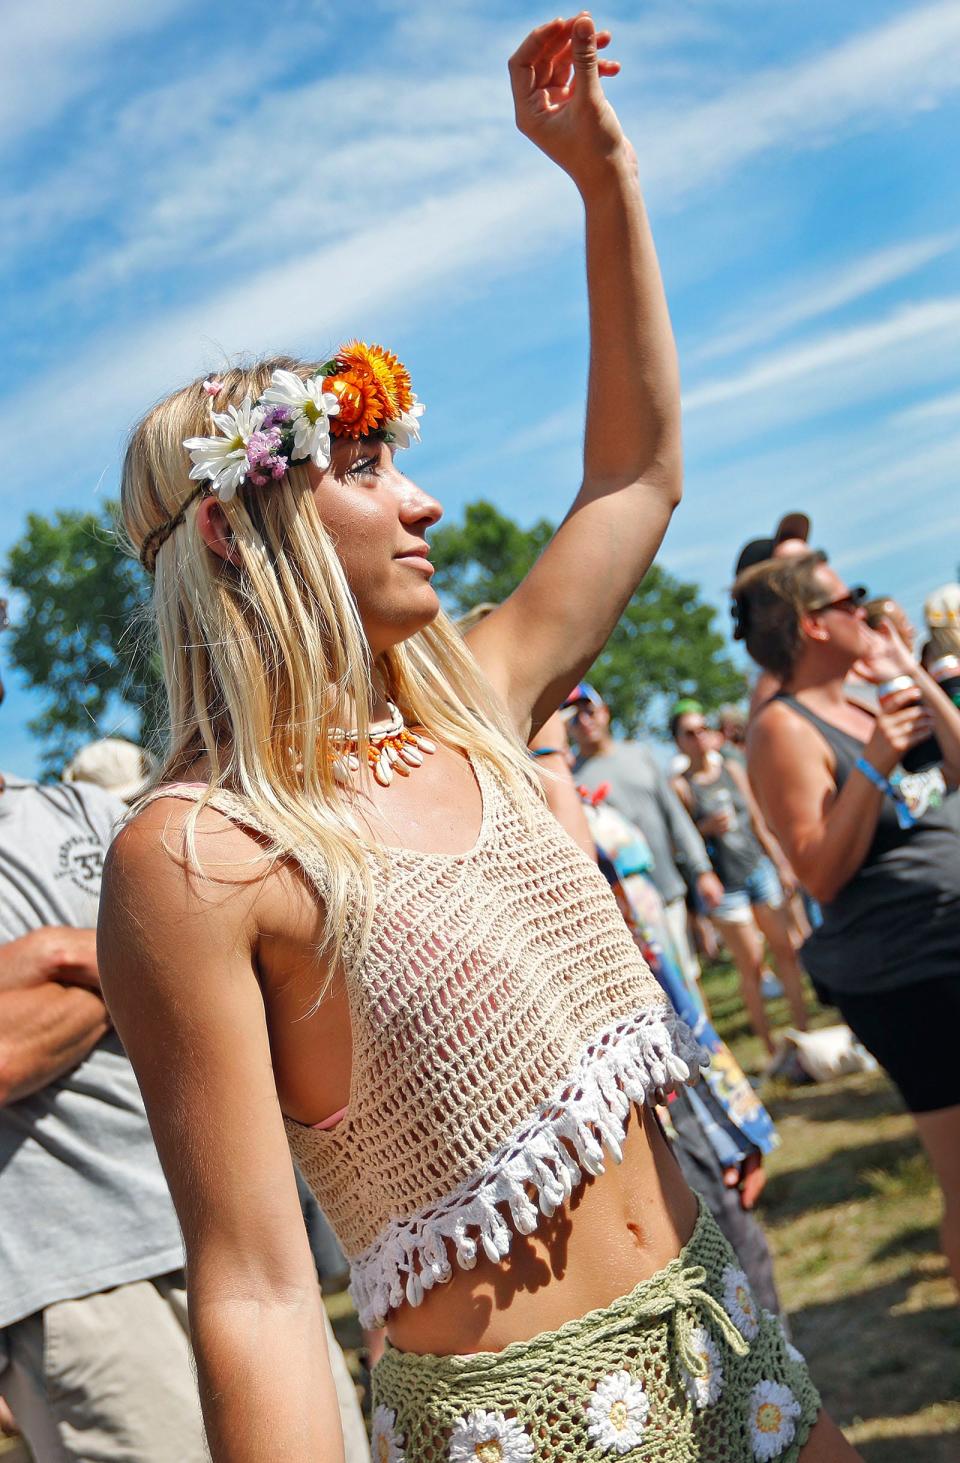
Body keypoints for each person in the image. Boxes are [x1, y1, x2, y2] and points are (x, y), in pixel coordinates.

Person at [99, 16, 854, 1460]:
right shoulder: (198, 858)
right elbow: (257, 1290)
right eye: (369, 465)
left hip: (735, 1349)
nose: (429, 503)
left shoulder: (475, 692)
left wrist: (600, 178)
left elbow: (636, 472)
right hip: (522, 1428)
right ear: (233, 532)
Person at [734, 551, 960, 1291]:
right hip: (910, 970)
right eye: (849, 600)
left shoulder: (867, 694)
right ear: (812, 624)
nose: (863, 610)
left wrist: (913, 672)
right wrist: (874, 761)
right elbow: (818, 870)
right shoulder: (782, 730)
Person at [569, 684, 727, 998]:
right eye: (573, 716)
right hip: (625, 909)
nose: (584, 720)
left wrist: (702, 869)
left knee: (687, 982)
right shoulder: (570, 779)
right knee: (658, 993)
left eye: (589, 711)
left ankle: (709, 1048)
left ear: (605, 712)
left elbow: (676, 816)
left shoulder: (639, 754)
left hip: (668, 890)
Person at [670, 704, 809, 1055]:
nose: (699, 737)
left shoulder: (732, 768)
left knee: (787, 951)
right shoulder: (681, 787)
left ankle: (804, 1035)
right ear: (678, 742)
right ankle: (771, 1050)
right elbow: (681, 842)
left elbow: (758, 821)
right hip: (725, 885)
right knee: (753, 966)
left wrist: (781, 862)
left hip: (758, 870)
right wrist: (705, 828)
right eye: (690, 732)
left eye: (703, 728)